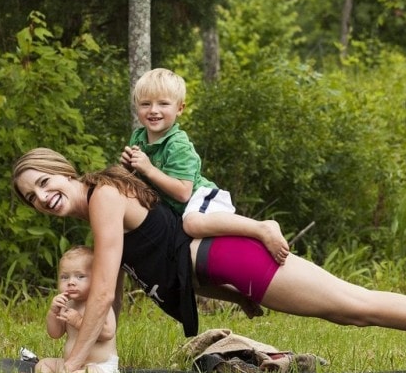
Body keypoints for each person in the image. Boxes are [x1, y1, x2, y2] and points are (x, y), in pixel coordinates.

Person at [12, 147, 406, 373]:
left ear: (62, 170)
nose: (41, 196)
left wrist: (72, 368)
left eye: (42, 181)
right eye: (31, 196)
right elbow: (131, 282)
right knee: (351, 309)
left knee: (354, 305)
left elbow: (102, 292)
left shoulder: (103, 197)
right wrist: (98, 361)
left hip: (230, 256)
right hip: (222, 267)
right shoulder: (103, 204)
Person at [120, 68, 289, 264]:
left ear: (180, 108)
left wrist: (148, 169)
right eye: (145, 104)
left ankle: (262, 228)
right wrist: (128, 168)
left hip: (201, 198)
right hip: (181, 210)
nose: (153, 110)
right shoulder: (138, 138)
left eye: (163, 103)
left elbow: (184, 192)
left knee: (192, 224)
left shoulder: (178, 144)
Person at [20, 246, 120, 373]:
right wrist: (53, 312)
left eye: (80, 276)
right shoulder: (67, 304)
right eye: (65, 277)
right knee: (44, 364)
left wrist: (79, 322)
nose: (71, 282)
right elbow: (55, 333)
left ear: (96, 278)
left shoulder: (99, 303)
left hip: (99, 367)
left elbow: (108, 333)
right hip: (69, 365)